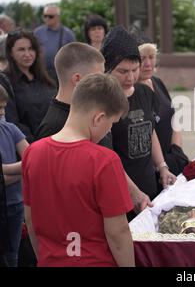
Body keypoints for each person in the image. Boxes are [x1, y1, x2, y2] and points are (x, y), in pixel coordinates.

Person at [22, 73, 135, 267]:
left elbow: (31, 221)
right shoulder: (104, 160)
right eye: (110, 125)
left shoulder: (32, 152)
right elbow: (118, 232)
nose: (108, 131)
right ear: (98, 118)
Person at [35, 42, 151, 213]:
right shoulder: (54, 126)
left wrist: (135, 193)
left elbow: (108, 160)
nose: (106, 80)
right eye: (98, 76)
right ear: (78, 80)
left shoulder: (93, 112)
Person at [101, 26, 176, 203]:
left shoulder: (144, 92)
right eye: (123, 71)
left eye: (134, 69)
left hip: (148, 183)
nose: (130, 77)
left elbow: (150, 131)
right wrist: (132, 192)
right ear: (107, 69)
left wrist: (162, 166)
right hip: (120, 189)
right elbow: (107, 158)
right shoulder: (102, 103)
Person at [138, 43, 189, 177]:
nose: (148, 63)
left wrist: (177, 151)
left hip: (171, 159)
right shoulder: (134, 91)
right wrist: (161, 164)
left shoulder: (157, 82)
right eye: (142, 58)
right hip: (152, 167)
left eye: (151, 57)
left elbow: (173, 116)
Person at [0, 28, 55, 143]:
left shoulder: (47, 78)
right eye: (21, 50)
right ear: (11, 53)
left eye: (31, 49)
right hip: (26, 148)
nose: (27, 54)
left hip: (53, 144)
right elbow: (12, 121)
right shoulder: (4, 81)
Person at [0, 85, 29, 267]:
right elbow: (27, 165)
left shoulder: (10, 129)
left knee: (13, 255)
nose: (2, 113)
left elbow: (33, 159)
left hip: (15, 203)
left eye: (3, 108)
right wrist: (22, 171)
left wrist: (5, 170)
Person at [34, 4, 75, 82]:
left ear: (58, 17)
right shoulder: (37, 32)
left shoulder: (68, 34)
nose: (47, 18)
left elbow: (73, 56)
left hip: (61, 75)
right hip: (41, 73)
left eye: (50, 16)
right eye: (45, 16)